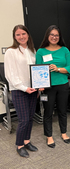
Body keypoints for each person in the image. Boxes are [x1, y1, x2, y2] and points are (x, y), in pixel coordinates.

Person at [36, 25, 70, 148]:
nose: (54, 37)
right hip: (47, 87)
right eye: (52, 35)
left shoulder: (64, 50)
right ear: (47, 36)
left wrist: (58, 69)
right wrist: (39, 85)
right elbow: (37, 69)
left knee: (63, 111)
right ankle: (49, 136)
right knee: (48, 112)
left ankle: (63, 132)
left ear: (59, 37)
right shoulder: (41, 51)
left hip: (62, 84)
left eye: (56, 35)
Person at [4, 25, 38, 158]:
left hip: (33, 89)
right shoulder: (10, 52)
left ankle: (27, 141)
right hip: (19, 90)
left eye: (23, 34)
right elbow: (10, 75)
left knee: (30, 118)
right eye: (18, 35)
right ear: (14, 37)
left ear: (28, 35)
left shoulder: (31, 50)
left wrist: (38, 86)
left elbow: (35, 70)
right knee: (23, 120)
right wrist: (24, 88)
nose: (21, 37)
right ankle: (19, 145)